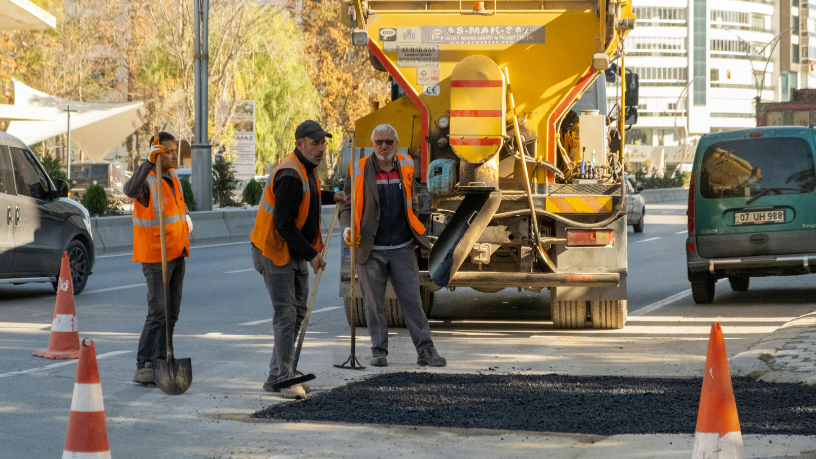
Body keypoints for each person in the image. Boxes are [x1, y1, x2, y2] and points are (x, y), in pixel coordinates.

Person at [250, 120, 346, 399]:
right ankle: (284, 377)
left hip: (291, 251)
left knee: (297, 313)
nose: (321, 149)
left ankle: (276, 375)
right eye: (315, 143)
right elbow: (284, 224)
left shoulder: (305, 170)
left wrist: (331, 196)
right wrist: (312, 255)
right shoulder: (291, 174)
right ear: (300, 143)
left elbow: (309, 197)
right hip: (274, 250)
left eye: (323, 144)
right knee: (286, 314)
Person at [339, 124, 446, 368]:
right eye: (379, 142)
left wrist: (415, 223)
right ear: (372, 144)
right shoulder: (358, 169)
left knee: (412, 302)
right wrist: (347, 228)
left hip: (402, 246)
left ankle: (426, 350)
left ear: (395, 144)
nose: (384, 146)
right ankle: (378, 351)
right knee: (373, 305)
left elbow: (413, 199)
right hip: (371, 248)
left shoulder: (407, 165)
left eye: (389, 141)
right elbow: (346, 205)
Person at [125, 132, 193, 385]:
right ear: (156, 154)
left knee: (171, 312)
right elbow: (129, 189)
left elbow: (175, 211)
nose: (175, 155)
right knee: (158, 312)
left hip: (177, 253)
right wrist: (146, 162)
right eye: (169, 151)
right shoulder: (147, 182)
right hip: (156, 257)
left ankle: (161, 360)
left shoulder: (173, 178)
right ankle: (143, 365)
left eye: (175, 150)